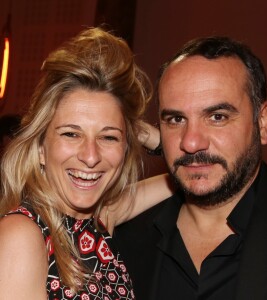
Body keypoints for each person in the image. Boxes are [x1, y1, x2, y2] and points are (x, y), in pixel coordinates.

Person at [115, 36, 267, 300]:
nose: (191, 142)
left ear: (264, 123)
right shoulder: (120, 240)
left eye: (217, 117)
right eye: (176, 119)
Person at [0, 27, 173, 299]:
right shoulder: (22, 236)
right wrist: (112, 125)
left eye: (107, 137)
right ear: (41, 148)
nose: (90, 156)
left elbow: (188, 172)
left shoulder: (99, 219)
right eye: (71, 133)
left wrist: (129, 126)